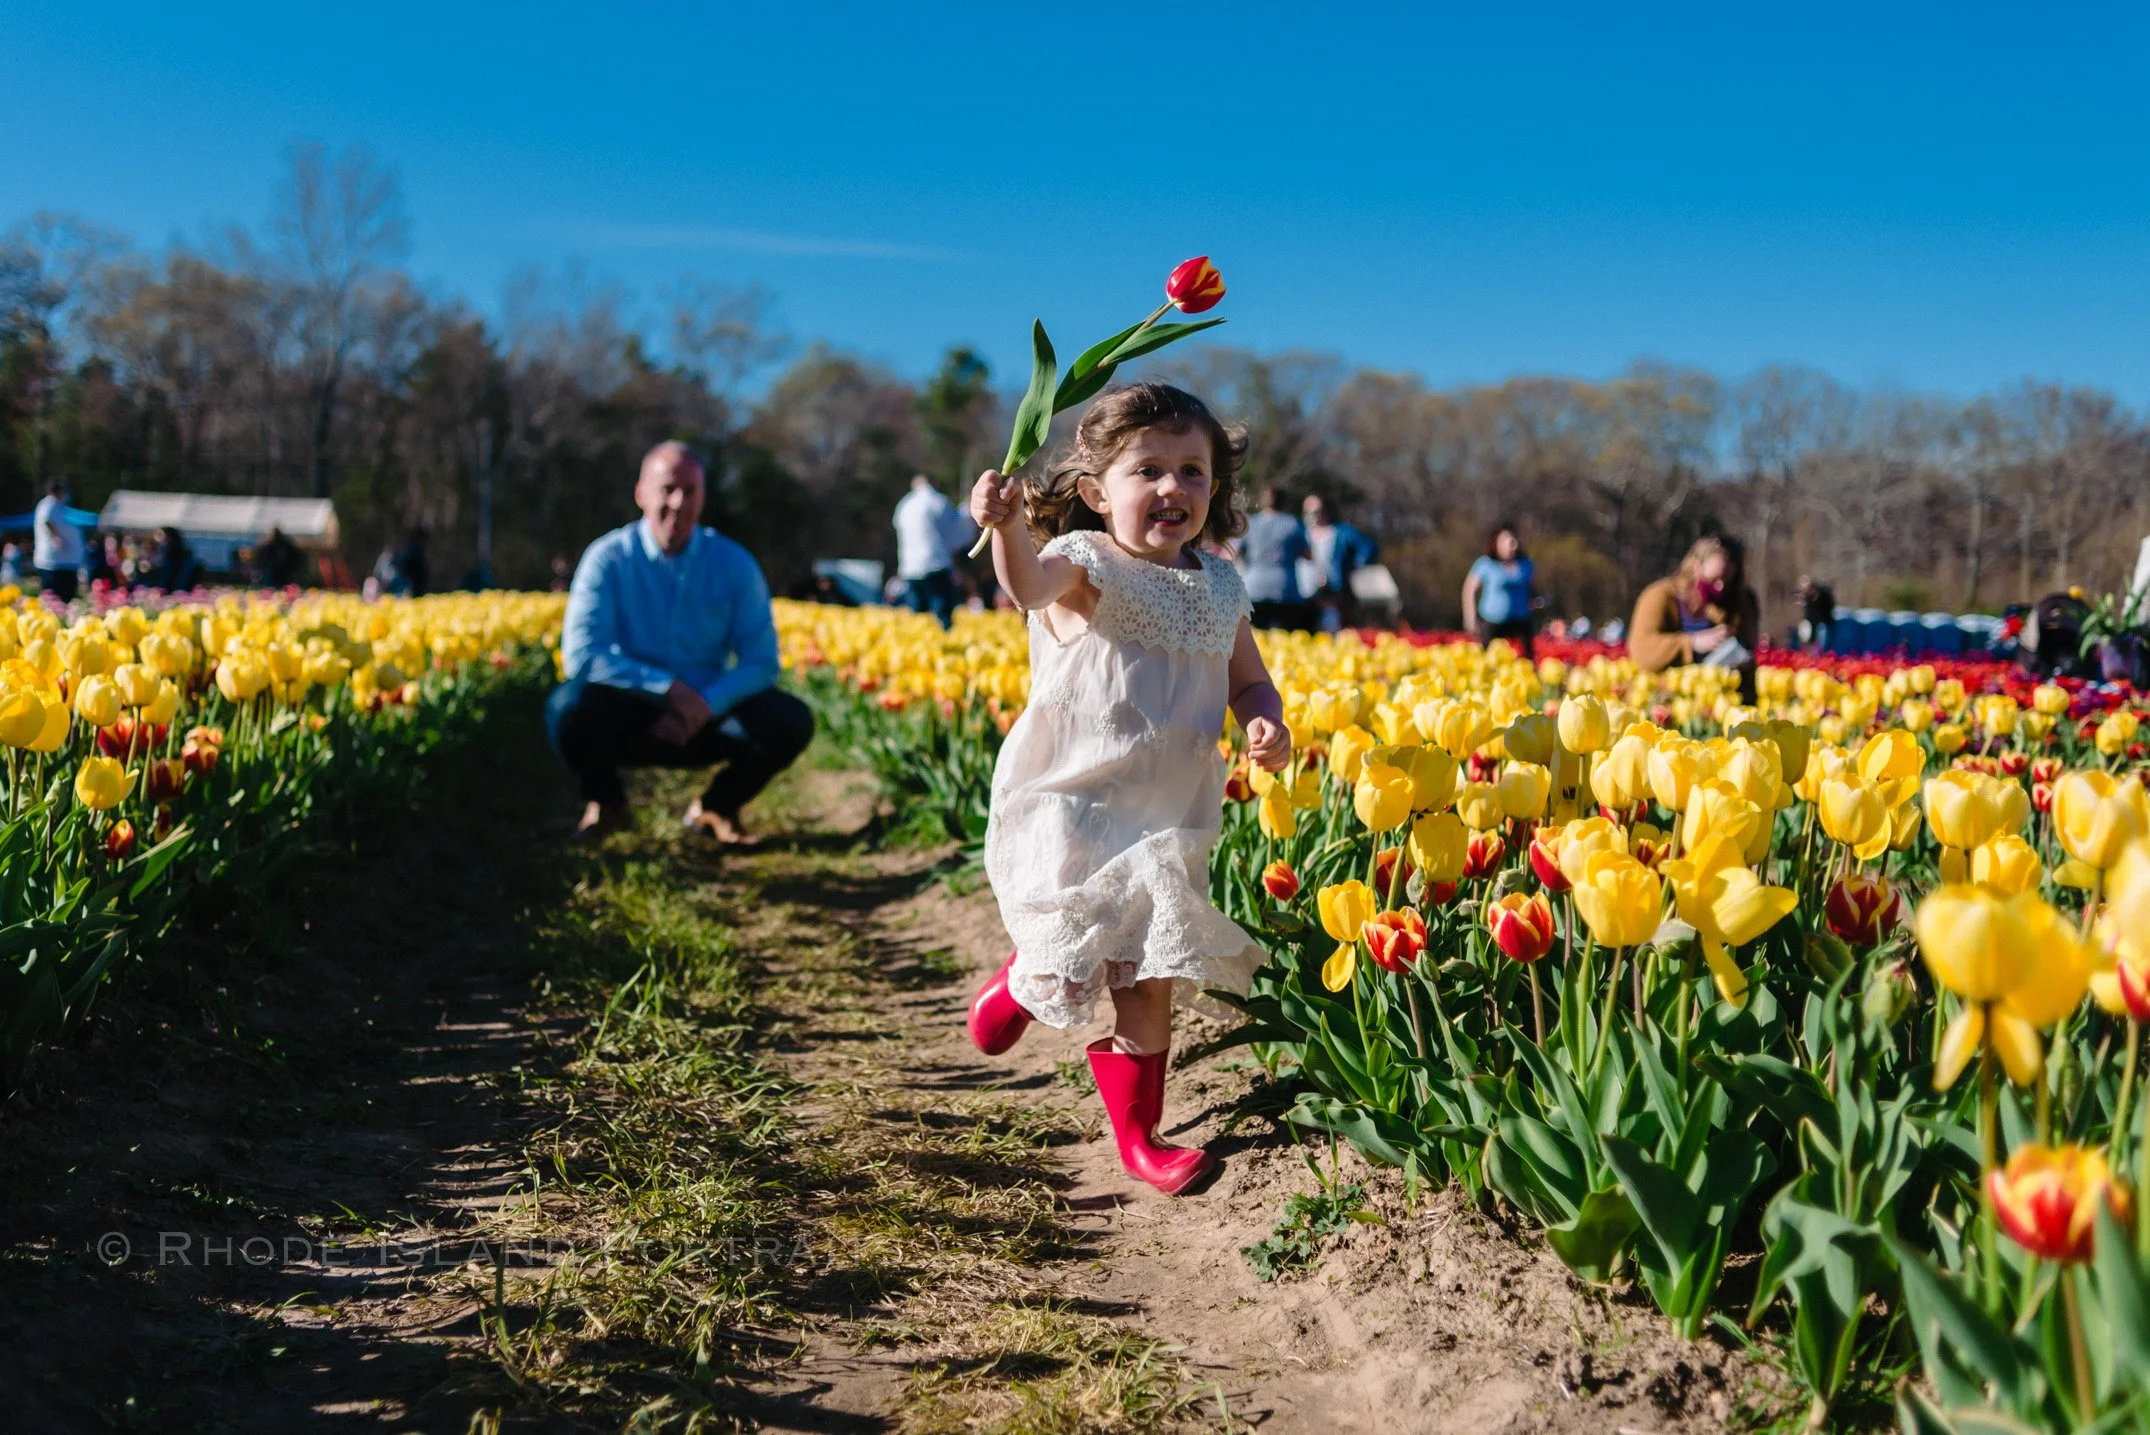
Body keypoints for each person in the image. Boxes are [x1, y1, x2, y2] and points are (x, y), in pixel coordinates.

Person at [961, 383, 1291, 1196]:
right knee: (1068, 953)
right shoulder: (1085, 566)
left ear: (1217, 489)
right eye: (1148, 470)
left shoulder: (1220, 587)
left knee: (1148, 979)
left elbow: (1251, 680)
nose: (1174, 488)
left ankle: (1142, 1137)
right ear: (1095, 492)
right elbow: (1026, 588)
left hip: (1168, 817)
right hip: (1076, 801)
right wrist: (1004, 525)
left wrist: (1265, 721)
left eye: (1193, 470)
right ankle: (1017, 985)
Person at [546, 441, 815, 845]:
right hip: (632, 713)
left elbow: (761, 662)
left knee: (790, 720)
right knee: (567, 709)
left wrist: (703, 704)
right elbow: (582, 655)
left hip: (706, 719)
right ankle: (607, 804)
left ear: (703, 499)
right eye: (667, 489)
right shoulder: (608, 559)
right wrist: (668, 690)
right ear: (641, 494)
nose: (678, 502)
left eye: (690, 491)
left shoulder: (733, 564)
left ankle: (716, 807)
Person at [1628, 533, 1762, 703]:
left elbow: (1749, 661)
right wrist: (1692, 643)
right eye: (1713, 579)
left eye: (1727, 581)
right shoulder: (1660, 597)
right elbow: (1642, 650)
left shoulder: (1733, 605)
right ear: (1695, 567)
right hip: (1664, 700)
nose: (1720, 587)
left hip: (1714, 703)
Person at [892, 473, 964, 628]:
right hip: (935, 564)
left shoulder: (904, 504)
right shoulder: (938, 501)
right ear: (933, 483)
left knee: (917, 611)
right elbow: (954, 530)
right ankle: (944, 643)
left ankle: (920, 645)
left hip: (909, 567)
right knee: (942, 610)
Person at [1300, 495, 1379, 633]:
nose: (1312, 515)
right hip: (1304, 593)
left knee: (1330, 628)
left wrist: (1355, 566)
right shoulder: (1301, 533)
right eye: (1308, 511)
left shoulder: (1341, 532)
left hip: (1333, 593)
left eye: (1316, 511)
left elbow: (1368, 547)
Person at [1236, 485, 1310, 630]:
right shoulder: (1292, 523)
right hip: (1284, 589)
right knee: (1285, 640)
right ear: (1284, 502)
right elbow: (1308, 555)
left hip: (1253, 587)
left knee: (1256, 639)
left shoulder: (1250, 523)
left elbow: (1235, 554)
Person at [1463, 521, 1536, 655]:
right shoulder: (1485, 564)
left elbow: (1530, 588)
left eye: (1513, 542)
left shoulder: (1526, 564)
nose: (1511, 546)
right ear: (1495, 543)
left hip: (1521, 621)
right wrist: (1471, 618)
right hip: (1492, 621)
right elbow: (1469, 589)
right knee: (1487, 657)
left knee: (1526, 657)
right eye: (1507, 542)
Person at [33, 481, 85, 603]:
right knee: (57, 598)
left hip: (64, 562)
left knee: (64, 597)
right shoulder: (48, 504)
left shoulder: (58, 506)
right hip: (55, 563)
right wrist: (56, 538)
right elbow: (47, 520)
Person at [146, 526, 202, 593]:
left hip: (177, 594)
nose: (159, 542)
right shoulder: (163, 559)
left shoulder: (182, 562)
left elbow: (177, 584)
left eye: (162, 538)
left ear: (171, 539)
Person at [1797, 575, 1837, 652]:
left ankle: (1821, 654)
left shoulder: (1822, 593)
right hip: (1812, 622)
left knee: (1823, 642)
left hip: (1823, 622)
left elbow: (1829, 605)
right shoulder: (1806, 596)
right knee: (1809, 640)